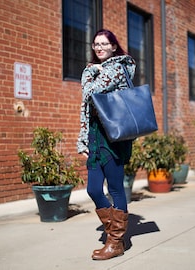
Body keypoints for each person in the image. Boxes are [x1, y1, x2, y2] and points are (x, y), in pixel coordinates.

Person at [77, 29, 136, 260]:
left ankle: (115, 242)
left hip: (113, 138)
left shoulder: (115, 69)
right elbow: (86, 109)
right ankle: (115, 235)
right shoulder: (98, 70)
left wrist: (89, 70)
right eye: (95, 44)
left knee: (115, 189)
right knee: (92, 189)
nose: (99, 47)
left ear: (113, 47)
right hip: (95, 136)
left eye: (104, 44)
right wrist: (83, 140)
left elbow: (90, 92)